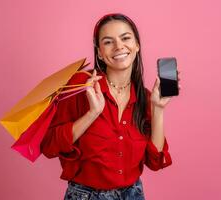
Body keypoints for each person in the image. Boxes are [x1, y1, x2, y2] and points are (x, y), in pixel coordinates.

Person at [41, 13, 181, 200]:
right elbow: (49, 146)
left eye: (125, 38)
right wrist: (92, 113)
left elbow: (155, 162)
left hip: (133, 194)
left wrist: (158, 108)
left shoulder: (144, 97)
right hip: (86, 195)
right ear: (99, 52)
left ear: (137, 45)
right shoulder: (81, 85)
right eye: (108, 42)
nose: (119, 46)